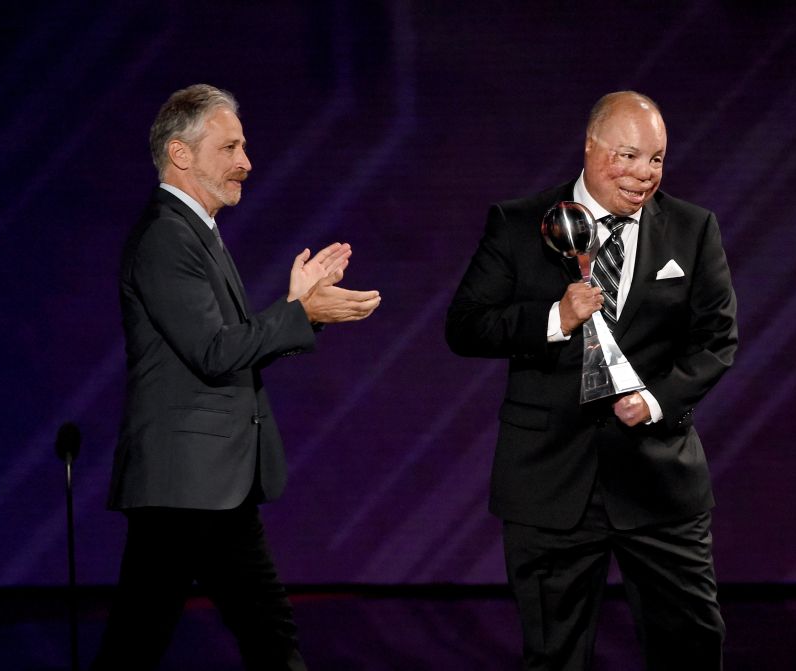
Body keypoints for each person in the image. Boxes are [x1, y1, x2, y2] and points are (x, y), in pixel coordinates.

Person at [92, 84, 380, 670]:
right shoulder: (167, 236)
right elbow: (214, 351)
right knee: (146, 644)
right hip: (184, 485)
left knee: (265, 634)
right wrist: (301, 313)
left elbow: (229, 349)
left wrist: (300, 308)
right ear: (180, 153)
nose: (246, 162)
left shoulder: (194, 232)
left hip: (210, 484)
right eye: (230, 147)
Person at [446, 91, 737, 670]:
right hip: (549, 480)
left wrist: (655, 402)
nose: (642, 175)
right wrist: (555, 318)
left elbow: (716, 339)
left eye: (655, 159)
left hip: (658, 480)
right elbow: (466, 327)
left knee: (692, 648)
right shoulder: (518, 224)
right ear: (590, 146)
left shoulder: (691, 228)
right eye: (628, 156)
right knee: (554, 656)